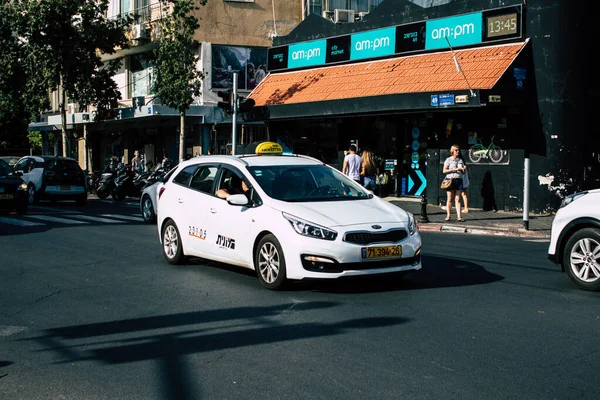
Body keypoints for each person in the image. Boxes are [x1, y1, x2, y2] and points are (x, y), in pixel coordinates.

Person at [442, 144, 466, 222]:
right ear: (452, 151)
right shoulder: (448, 160)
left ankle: (459, 216)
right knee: (450, 198)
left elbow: (463, 172)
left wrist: (463, 169)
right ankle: (448, 216)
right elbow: (444, 171)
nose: (457, 151)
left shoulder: (460, 160)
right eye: (456, 150)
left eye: (458, 150)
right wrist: (454, 169)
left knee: (458, 198)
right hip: (450, 180)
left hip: (458, 180)